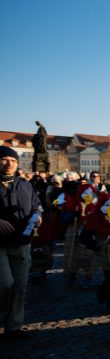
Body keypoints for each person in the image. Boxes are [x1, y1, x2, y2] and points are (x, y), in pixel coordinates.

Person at [0, 145, 42, 340]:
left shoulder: (25, 185)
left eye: (14, 160)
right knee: (5, 284)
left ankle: (14, 326)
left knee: (20, 285)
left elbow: (37, 206)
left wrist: (38, 215)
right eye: (5, 159)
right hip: (0, 245)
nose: (10, 163)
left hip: (22, 242)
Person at [81, 192, 110, 314]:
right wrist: (94, 246)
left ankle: (102, 290)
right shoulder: (94, 217)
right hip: (102, 251)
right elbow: (84, 236)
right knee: (109, 276)